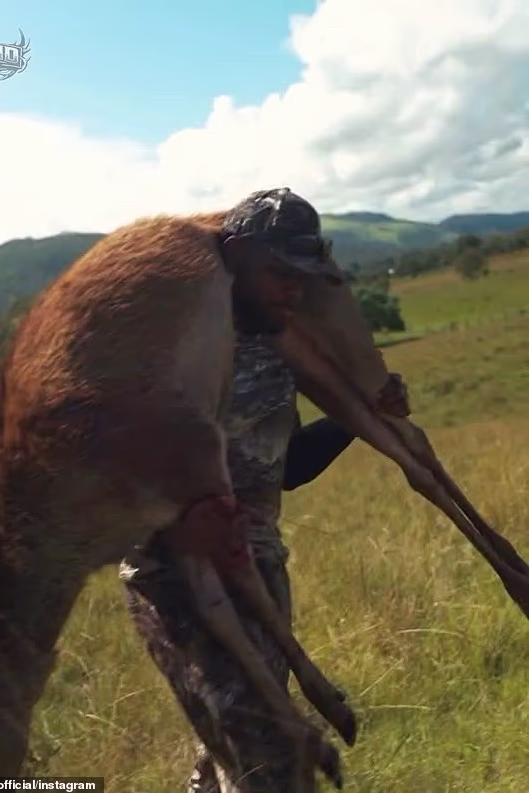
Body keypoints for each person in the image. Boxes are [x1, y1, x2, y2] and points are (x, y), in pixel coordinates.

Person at [118, 189, 409, 792]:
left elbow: (283, 466)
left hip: (258, 568)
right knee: (264, 751)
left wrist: (362, 417)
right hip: (178, 580)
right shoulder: (170, 353)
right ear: (235, 257)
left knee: (232, 745)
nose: (292, 291)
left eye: (302, 277)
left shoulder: (276, 348)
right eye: (278, 274)